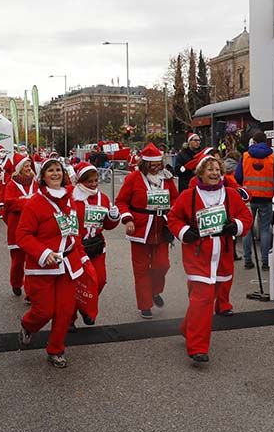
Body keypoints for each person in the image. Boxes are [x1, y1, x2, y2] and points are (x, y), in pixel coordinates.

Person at [169, 154, 253, 363]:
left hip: (222, 255)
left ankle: (187, 328)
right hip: (198, 254)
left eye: (217, 170)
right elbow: (173, 218)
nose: (215, 173)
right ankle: (197, 348)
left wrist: (236, 225)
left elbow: (246, 216)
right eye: (210, 170)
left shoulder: (231, 194)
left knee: (208, 297)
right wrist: (185, 231)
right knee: (203, 297)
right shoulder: (189, 196)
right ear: (201, 173)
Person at [16, 158, 88, 368]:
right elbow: (23, 235)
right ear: (43, 176)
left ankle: (56, 350)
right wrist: (44, 252)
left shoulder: (70, 198)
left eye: (58, 170)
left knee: (65, 310)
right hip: (43, 266)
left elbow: (74, 230)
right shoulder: (35, 203)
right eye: (51, 171)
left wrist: (80, 255)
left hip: (67, 264)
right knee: (44, 311)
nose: (55, 174)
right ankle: (28, 326)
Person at [115, 142, 178, 319]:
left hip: (162, 228)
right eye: (153, 164)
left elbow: (175, 199)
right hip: (140, 229)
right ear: (145, 163)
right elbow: (121, 201)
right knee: (141, 269)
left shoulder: (166, 178)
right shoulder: (133, 179)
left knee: (162, 264)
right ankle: (145, 304)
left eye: (159, 164)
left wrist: (172, 212)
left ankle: (155, 290)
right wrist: (127, 219)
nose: (156, 167)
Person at [70, 161, 120, 320]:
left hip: (96, 246)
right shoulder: (71, 197)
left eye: (95, 180)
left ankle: (85, 307)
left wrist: (113, 217)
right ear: (80, 181)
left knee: (100, 280)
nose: (93, 184)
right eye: (89, 181)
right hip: (76, 247)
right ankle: (71, 317)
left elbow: (108, 225)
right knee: (75, 283)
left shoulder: (104, 199)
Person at [238, 131, 274, 270]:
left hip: (249, 197)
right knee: (265, 229)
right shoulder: (272, 157)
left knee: (247, 228)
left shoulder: (245, 156)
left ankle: (248, 260)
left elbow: (238, 176)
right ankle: (265, 262)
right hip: (266, 197)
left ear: (253, 141)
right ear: (266, 141)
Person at [3, 153, 37, 297]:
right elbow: (9, 203)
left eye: (29, 166)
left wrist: (25, 201)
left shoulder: (35, 182)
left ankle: (30, 292)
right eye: (26, 166)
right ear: (19, 168)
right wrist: (28, 202)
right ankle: (16, 283)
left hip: (33, 229)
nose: (28, 168)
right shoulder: (12, 184)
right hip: (16, 228)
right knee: (17, 261)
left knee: (32, 262)